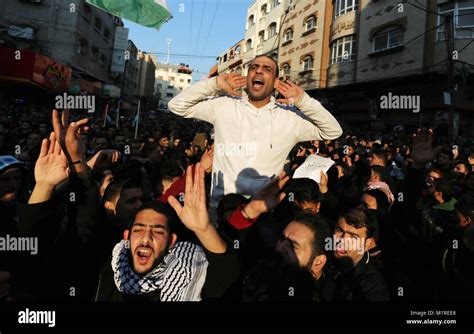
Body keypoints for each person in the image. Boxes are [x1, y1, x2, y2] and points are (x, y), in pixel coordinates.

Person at [169, 55, 342, 207]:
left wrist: (303, 101)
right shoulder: (223, 104)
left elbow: (333, 132)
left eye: (267, 69)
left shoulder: (291, 117)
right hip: (221, 208)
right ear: (248, 76)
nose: (259, 71)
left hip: (264, 210)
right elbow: (176, 106)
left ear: (275, 81)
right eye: (254, 67)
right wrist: (214, 84)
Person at [95, 164, 239, 301]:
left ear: (171, 241)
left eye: (158, 231)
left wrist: (203, 230)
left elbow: (226, 271)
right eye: (139, 230)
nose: (146, 238)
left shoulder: (187, 271)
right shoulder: (112, 270)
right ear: (127, 237)